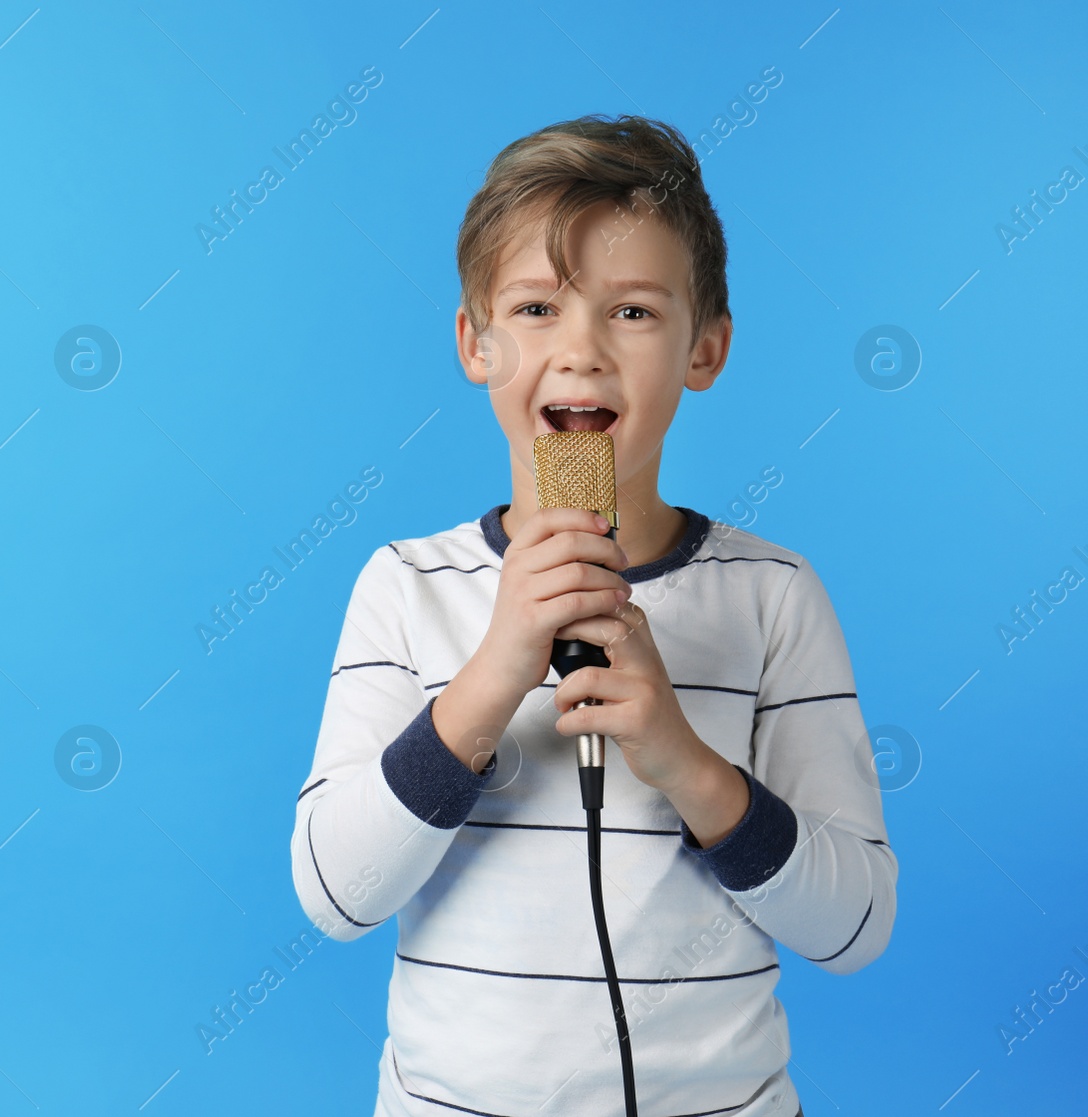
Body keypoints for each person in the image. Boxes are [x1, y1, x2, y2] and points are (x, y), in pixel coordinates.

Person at [289, 114, 894, 1117]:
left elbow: (855, 926)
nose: (578, 351)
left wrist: (684, 759)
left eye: (632, 313)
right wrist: (491, 673)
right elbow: (337, 893)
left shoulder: (772, 594)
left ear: (704, 350)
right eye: (534, 308)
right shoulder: (404, 586)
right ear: (473, 344)